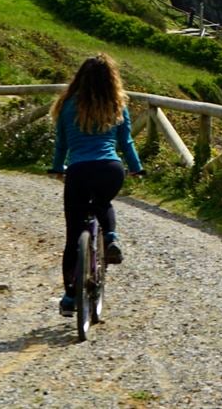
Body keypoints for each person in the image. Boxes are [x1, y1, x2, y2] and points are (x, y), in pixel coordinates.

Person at [48, 53, 144, 316]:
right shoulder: (116, 104)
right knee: (103, 203)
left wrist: (57, 168)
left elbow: (62, 143)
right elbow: (126, 142)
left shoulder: (67, 105)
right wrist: (136, 167)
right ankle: (111, 238)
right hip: (110, 169)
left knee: (72, 237)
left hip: (79, 170)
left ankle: (70, 297)